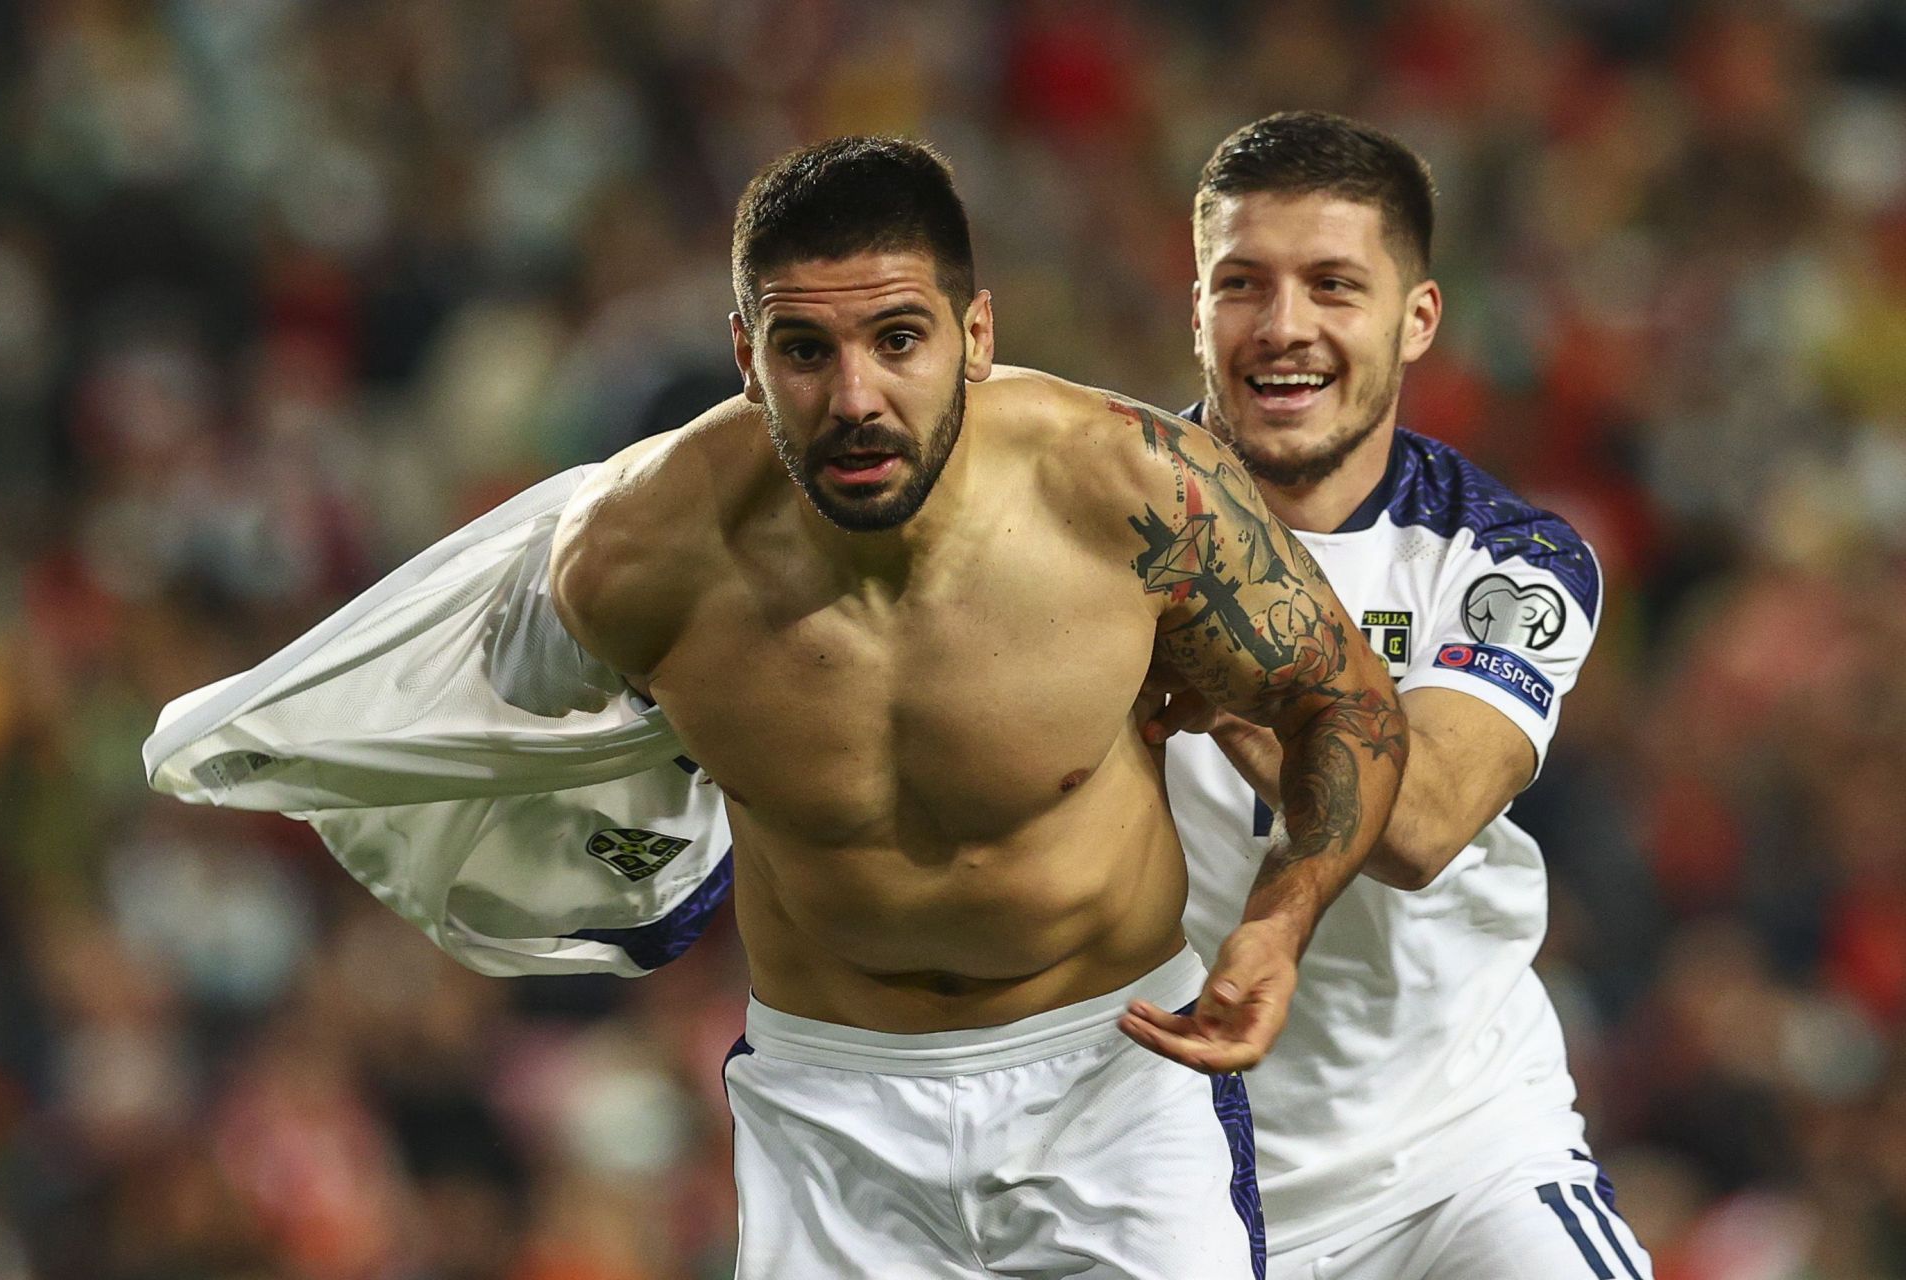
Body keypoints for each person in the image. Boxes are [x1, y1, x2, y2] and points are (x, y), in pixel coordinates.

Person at [544, 135, 1405, 1278]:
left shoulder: (1137, 490)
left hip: (1116, 1080)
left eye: (899, 338)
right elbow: (544, 769)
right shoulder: (632, 561)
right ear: (747, 355)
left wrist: (1280, 921)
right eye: (806, 349)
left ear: (978, 335)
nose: (855, 397)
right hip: (826, 1118)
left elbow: (1344, 705)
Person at [1137, 111, 1655, 1280]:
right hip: (1151, 1166)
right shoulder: (1091, 525)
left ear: (1417, 317)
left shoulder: (1504, 563)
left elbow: (1419, 824)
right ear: (1197, 306)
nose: (1285, 328)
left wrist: (1232, 694)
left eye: (1334, 285)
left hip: (1452, 1159)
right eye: (1242, 284)